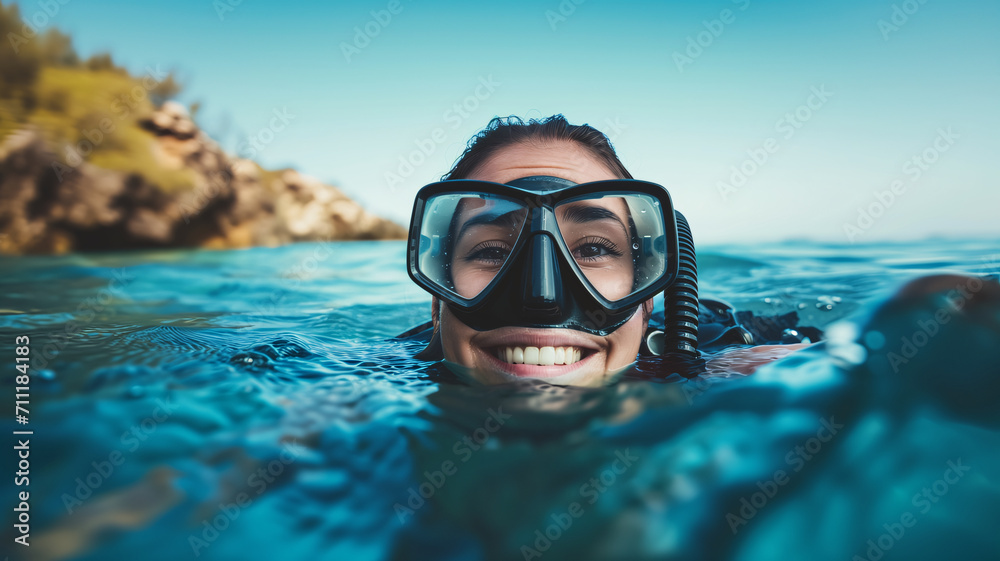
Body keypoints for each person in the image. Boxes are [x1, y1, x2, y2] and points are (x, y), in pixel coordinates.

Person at [400, 115, 814, 386]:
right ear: (437, 297)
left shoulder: (733, 358)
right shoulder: (361, 382)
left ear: (649, 294)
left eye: (595, 248)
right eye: (491, 251)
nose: (541, 298)